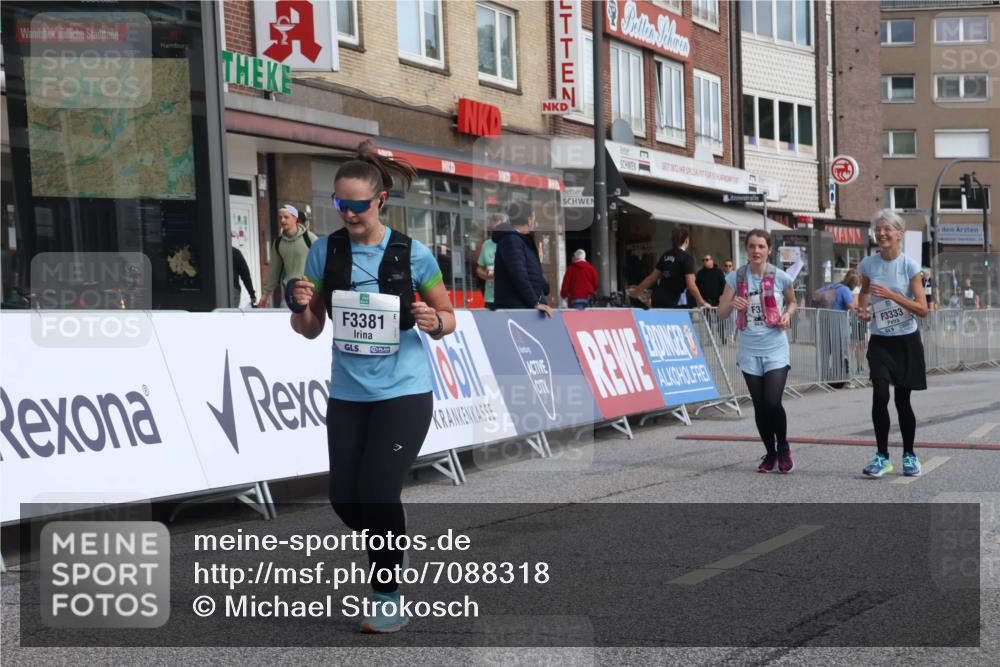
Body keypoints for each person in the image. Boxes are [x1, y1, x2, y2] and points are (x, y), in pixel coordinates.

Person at [285, 140, 456, 633]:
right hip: (349, 394)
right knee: (345, 498)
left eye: (359, 205)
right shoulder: (325, 250)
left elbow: (449, 317)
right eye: (340, 204)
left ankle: (387, 596)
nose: (350, 214)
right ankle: (389, 538)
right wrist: (300, 306)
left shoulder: (411, 253)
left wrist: (432, 320)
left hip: (404, 393)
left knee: (379, 494)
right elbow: (311, 328)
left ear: (380, 200)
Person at [857, 209, 929, 478]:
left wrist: (891, 295)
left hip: (906, 342)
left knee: (902, 401)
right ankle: (882, 456)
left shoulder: (910, 266)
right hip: (880, 342)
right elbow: (864, 293)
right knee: (880, 395)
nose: (882, 233)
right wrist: (862, 310)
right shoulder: (868, 265)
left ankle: (909, 455)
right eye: (878, 229)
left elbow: (922, 309)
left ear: (900, 234)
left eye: (887, 229)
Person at [717, 229, 797, 473]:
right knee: (760, 406)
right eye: (752, 246)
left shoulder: (781, 277)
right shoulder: (736, 278)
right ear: (746, 249)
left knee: (772, 402)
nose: (756, 251)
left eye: (761, 246)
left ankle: (783, 447)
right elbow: (720, 312)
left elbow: (792, 301)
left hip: (775, 348)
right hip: (749, 350)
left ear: (769, 249)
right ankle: (770, 453)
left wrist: (787, 315)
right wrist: (732, 304)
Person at [492, 201, 553, 316]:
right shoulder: (511, 240)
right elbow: (519, 273)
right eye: (534, 218)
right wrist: (534, 302)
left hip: (527, 308)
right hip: (517, 310)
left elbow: (530, 272)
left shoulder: (522, 240)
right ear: (529, 220)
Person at [628, 227, 707, 308]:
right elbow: (691, 284)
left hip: (657, 297)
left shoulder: (665, 255)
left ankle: (646, 300)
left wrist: (636, 292)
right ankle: (646, 300)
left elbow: (651, 278)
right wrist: (701, 301)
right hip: (671, 303)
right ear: (686, 241)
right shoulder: (686, 258)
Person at [259, 204, 318, 307]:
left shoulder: (310, 239)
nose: (282, 220)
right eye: (280, 217)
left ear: (295, 218)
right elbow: (274, 270)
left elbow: (322, 264)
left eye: (286, 217)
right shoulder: (278, 243)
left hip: (309, 293)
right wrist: (265, 295)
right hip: (289, 293)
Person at [475, 213, 506, 310]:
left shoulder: (510, 243)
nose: (494, 233)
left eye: (497, 229)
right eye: (492, 230)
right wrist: (486, 275)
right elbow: (479, 268)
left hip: (507, 297)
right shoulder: (487, 244)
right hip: (490, 298)